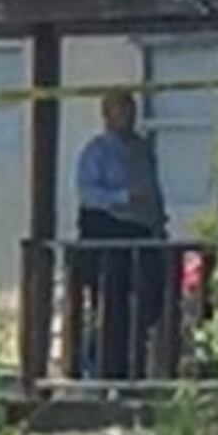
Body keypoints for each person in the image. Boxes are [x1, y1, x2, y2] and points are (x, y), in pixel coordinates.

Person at [72, 87, 170, 382]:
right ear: (106, 115)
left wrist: (158, 221)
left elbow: (153, 189)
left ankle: (136, 366)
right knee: (112, 305)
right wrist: (124, 196)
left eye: (131, 110)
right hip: (109, 235)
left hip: (143, 233)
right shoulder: (97, 150)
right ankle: (106, 369)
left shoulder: (142, 148)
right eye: (121, 110)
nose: (128, 117)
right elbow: (88, 193)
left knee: (149, 301)